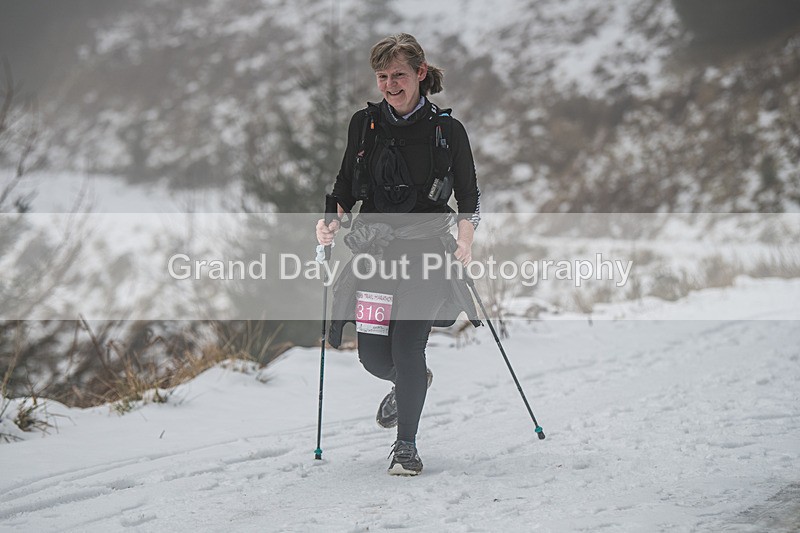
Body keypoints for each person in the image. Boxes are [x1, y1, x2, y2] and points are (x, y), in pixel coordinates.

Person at [315, 33, 481, 476]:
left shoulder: (447, 131)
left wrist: (465, 240)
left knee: (408, 347)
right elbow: (344, 187)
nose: (390, 85)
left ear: (420, 73)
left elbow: (469, 197)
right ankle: (412, 383)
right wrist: (329, 221)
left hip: (427, 258)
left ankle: (405, 446)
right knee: (374, 356)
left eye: (399, 75)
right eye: (383, 76)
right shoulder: (364, 125)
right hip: (375, 258)